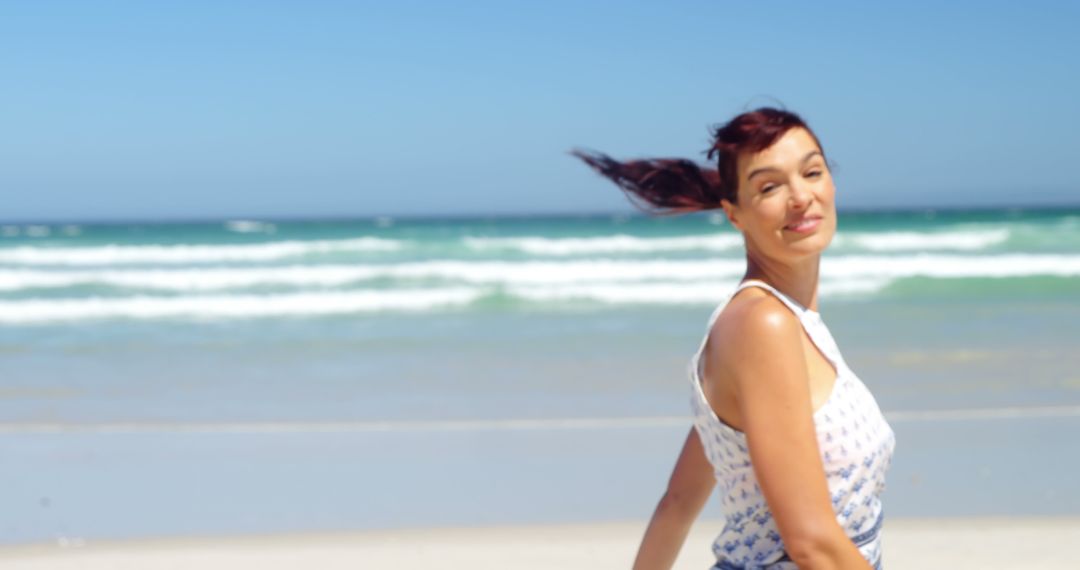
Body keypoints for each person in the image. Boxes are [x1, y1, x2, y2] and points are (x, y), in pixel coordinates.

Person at [572, 107, 896, 569]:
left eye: (812, 171)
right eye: (769, 186)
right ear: (734, 214)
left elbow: (679, 502)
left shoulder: (787, 320)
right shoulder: (762, 325)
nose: (801, 196)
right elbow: (810, 542)